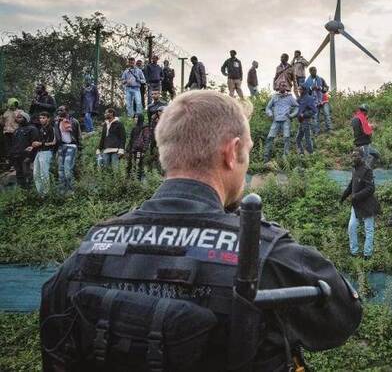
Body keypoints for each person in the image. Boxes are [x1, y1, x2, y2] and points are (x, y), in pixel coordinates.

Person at [41, 90, 362, 371]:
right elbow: (342, 318)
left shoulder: (91, 246)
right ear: (232, 152)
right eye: (247, 152)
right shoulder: (262, 251)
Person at [340, 147, 379, 259]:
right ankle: (354, 252)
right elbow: (351, 185)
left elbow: (371, 188)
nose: (354, 157)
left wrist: (356, 196)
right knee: (351, 227)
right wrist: (343, 197)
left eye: (356, 155)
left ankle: (367, 254)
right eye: (353, 155)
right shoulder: (355, 169)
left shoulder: (367, 170)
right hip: (356, 204)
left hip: (367, 204)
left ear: (362, 157)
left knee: (369, 228)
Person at [263, 85, 299, 162]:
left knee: (286, 138)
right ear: (278, 88)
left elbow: (297, 107)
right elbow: (268, 107)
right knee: (270, 137)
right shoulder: (275, 97)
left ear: (286, 88)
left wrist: (291, 115)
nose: (282, 87)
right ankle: (266, 157)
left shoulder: (290, 97)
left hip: (286, 120)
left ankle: (286, 157)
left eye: (284, 86)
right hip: (276, 120)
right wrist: (270, 114)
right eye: (281, 86)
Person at [53, 106, 82, 193]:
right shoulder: (57, 122)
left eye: (61, 110)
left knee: (67, 169)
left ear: (67, 111)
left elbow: (79, 135)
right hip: (61, 146)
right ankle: (62, 191)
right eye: (58, 110)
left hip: (71, 146)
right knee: (60, 170)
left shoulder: (74, 121)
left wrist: (80, 147)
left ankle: (71, 191)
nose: (59, 111)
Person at [9, 110, 38, 189]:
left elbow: (34, 144)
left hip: (26, 157)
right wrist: (12, 155)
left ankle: (30, 192)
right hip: (16, 156)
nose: (18, 119)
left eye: (20, 117)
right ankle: (22, 192)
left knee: (28, 174)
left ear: (26, 118)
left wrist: (30, 156)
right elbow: (13, 144)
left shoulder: (32, 129)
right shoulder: (16, 131)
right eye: (17, 117)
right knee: (19, 174)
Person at [30, 111, 56, 195]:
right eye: (40, 118)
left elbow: (54, 142)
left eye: (43, 118)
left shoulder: (51, 128)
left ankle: (46, 193)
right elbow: (39, 142)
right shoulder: (40, 129)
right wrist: (33, 146)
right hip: (39, 152)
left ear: (48, 119)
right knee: (35, 174)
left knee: (44, 173)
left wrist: (41, 144)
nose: (41, 120)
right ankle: (40, 194)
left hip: (47, 152)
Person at [303, 66, 332, 134]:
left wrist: (321, 88)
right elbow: (306, 93)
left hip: (324, 99)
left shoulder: (321, 79)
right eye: (313, 71)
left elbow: (326, 88)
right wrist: (310, 88)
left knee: (327, 114)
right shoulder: (307, 82)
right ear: (310, 72)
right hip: (314, 102)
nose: (314, 72)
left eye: (315, 70)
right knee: (315, 117)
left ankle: (330, 129)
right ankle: (316, 132)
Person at [126, 113, 151, 180]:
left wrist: (144, 150)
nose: (135, 119)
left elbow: (147, 139)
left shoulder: (145, 128)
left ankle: (138, 183)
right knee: (130, 166)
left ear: (140, 118)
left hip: (139, 150)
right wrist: (128, 149)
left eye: (137, 117)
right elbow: (131, 140)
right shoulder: (134, 128)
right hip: (132, 150)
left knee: (138, 166)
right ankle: (131, 182)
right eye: (134, 117)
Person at [295, 86, 317, 155]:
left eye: (300, 89)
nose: (299, 90)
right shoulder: (299, 99)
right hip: (301, 122)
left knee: (307, 138)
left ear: (304, 89)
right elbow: (294, 107)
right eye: (298, 89)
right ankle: (301, 153)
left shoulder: (309, 98)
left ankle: (311, 153)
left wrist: (304, 114)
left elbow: (314, 110)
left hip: (306, 121)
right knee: (298, 139)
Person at [1, 98, 22, 165]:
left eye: (15, 104)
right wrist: (1, 118)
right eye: (12, 104)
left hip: (15, 132)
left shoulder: (19, 112)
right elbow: (2, 124)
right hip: (7, 132)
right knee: (8, 148)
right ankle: (10, 163)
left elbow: (21, 121)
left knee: (15, 147)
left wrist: (15, 116)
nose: (13, 106)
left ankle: (16, 164)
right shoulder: (6, 112)